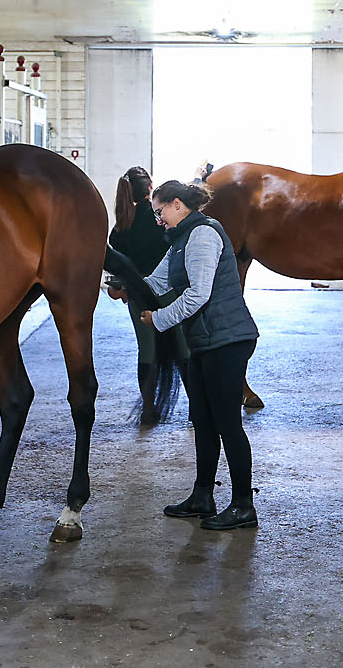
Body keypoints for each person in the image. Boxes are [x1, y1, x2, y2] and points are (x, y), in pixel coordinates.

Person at [139, 179, 260, 531]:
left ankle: (242, 505)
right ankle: (202, 496)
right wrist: (120, 282)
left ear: (177, 204)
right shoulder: (179, 240)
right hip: (204, 342)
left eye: (159, 212)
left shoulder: (203, 234)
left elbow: (198, 295)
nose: (158, 220)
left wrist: (157, 319)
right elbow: (156, 282)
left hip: (228, 340)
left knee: (228, 424)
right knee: (203, 421)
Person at [107, 166, 171, 390]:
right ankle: (196, 409)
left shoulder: (120, 229)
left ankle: (147, 407)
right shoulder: (162, 220)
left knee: (147, 349)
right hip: (168, 292)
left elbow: (119, 268)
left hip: (138, 295)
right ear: (151, 188)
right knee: (183, 348)